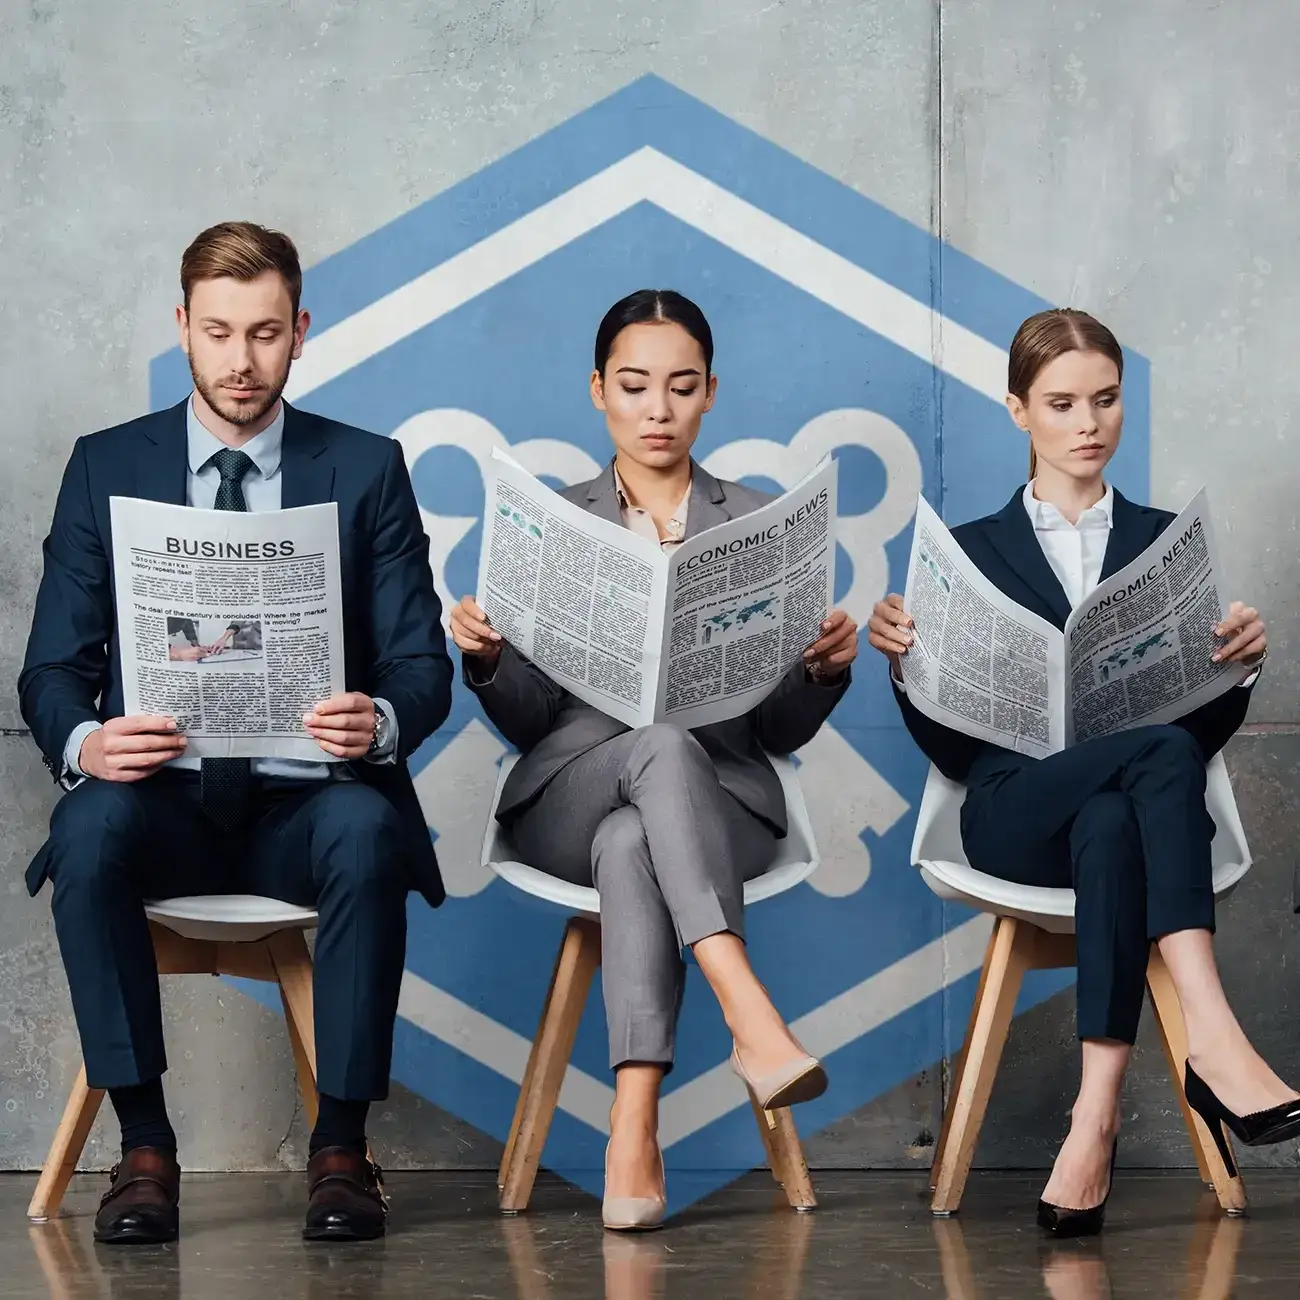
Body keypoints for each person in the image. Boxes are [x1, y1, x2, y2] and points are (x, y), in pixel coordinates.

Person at [19, 222, 453, 1245]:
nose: (240, 360)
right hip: (161, 801)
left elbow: (421, 669)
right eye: (217, 332)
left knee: (364, 831)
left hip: (305, 807)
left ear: (300, 331)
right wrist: (86, 742)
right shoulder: (103, 466)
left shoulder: (366, 469)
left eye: (264, 333)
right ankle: (144, 1145)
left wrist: (377, 719)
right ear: (182, 328)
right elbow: (49, 668)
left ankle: (341, 1148)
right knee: (86, 835)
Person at [868, 307, 1299, 1236]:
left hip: (1124, 824)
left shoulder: (1157, 542)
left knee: (1121, 810)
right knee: (1153, 756)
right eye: (1062, 403)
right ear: (1020, 410)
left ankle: (1091, 1121)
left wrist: (1237, 669)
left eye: (1104, 400)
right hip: (1008, 813)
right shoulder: (972, 553)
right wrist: (907, 669)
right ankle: (1214, 1036)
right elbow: (954, 753)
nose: (1088, 423)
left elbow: (1197, 734)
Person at [451, 289, 858, 1231]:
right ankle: (747, 1012)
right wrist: (488, 660)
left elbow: (778, 734)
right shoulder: (557, 523)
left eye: (681, 387)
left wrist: (820, 673)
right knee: (647, 763)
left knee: (639, 835)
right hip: (567, 793)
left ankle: (632, 1124)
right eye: (635, 386)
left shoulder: (759, 521)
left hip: (718, 803)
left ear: (712, 392)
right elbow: (529, 722)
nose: (657, 408)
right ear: (599, 391)